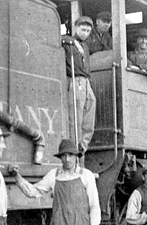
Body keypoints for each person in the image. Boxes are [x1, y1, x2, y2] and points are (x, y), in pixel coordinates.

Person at [62, 16, 97, 154]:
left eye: (88, 31)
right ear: (76, 28)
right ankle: (75, 149)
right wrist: (65, 38)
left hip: (86, 81)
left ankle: (82, 146)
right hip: (75, 80)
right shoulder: (68, 42)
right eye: (83, 29)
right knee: (76, 118)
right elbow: (56, 39)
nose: (85, 33)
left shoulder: (85, 46)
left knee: (89, 113)